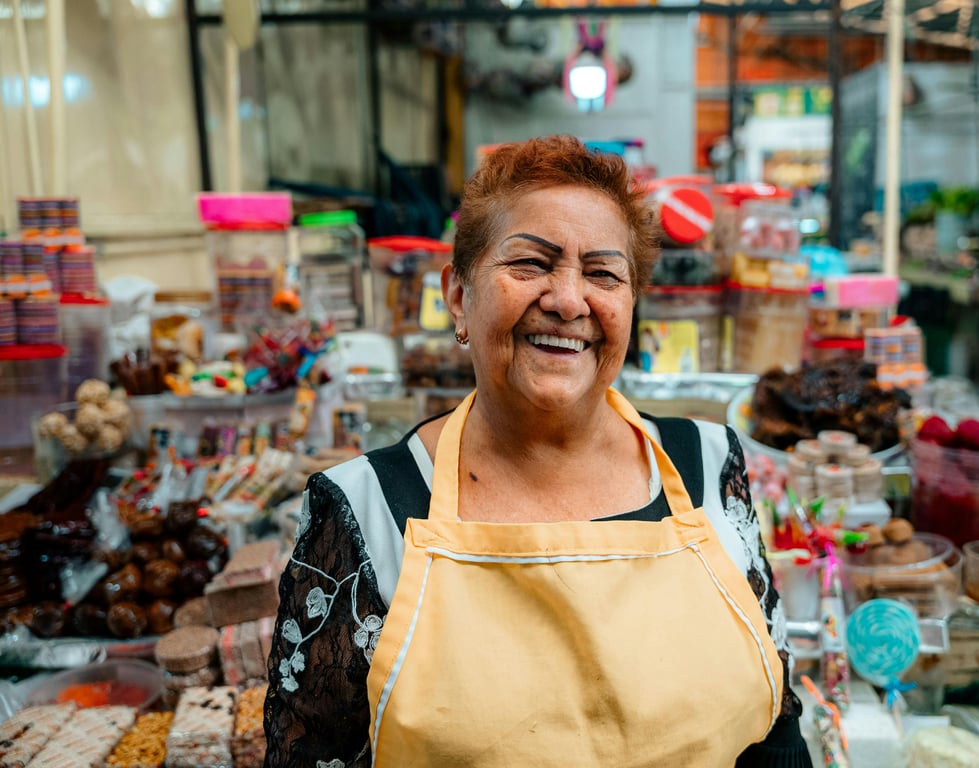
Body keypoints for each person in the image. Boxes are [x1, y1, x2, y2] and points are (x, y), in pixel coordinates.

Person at [264, 135, 811, 767]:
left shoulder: (712, 466)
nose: (569, 300)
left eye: (604, 274)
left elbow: (776, 731)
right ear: (459, 295)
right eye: (530, 264)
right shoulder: (364, 515)